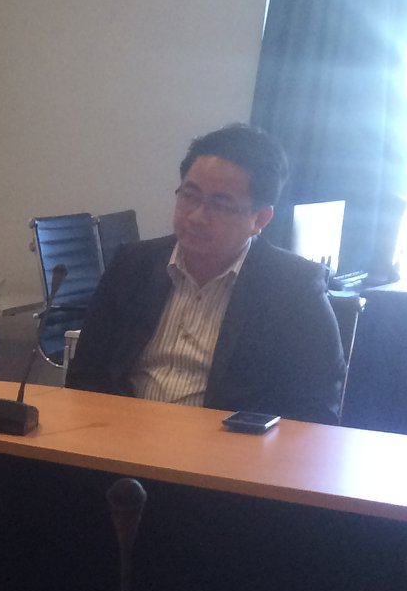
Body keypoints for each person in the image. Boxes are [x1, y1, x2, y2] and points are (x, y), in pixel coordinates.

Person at [68, 122, 344, 425]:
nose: (197, 216)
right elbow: (85, 374)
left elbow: (316, 411)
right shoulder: (132, 265)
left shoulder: (295, 288)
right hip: (121, 437)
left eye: (221, 205)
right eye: (189, 196)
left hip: (227, 448)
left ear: (260, 219)